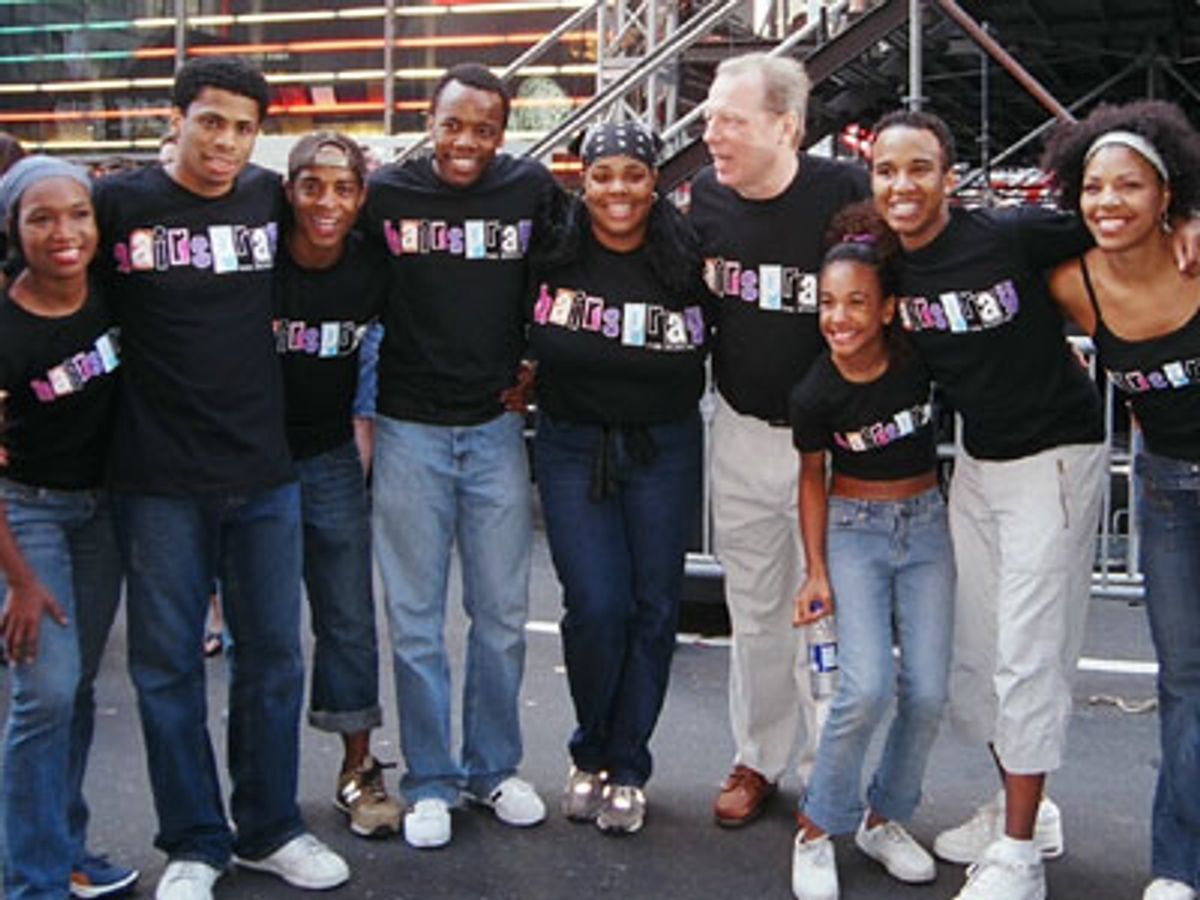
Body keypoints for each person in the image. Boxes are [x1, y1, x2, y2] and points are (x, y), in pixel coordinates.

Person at [92, 57, 348, 899]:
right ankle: (196, 842)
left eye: (243, 127)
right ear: (177, 118)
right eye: (210, 121)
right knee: (166, 667)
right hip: (157, 476)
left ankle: (269, 828)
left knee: (272, 657)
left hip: (263, 470)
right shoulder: (120, 204)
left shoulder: (267, 197)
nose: (226, 142)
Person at [870, 109, 1108, 900]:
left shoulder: (1010, 236)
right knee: (978, 654)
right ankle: (1030, 815)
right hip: (978, 464)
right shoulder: (893, 270)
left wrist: (1187, 223)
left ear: (950, 177)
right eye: (886, 171)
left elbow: (1117, 220)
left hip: (1057, 462)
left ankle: (1018, 856)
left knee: (1029, 655)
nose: (901, 185)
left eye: (918, 168)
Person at [361, 62, 555, 850]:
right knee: (413, 621)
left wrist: (538, 363)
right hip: (408, 428)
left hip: (493, 429)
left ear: (503, 132)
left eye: (484, 127)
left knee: (503, 615)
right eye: (453, 124)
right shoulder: (389, 195)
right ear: (429, 119)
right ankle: (430, 778)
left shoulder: (531, 191)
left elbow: (560, 282)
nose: (466, 141)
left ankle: (494, 767)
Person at [689, 51, 869, 827]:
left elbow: (930, 253)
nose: (712, 136)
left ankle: (829, 775)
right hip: (739, 430)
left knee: (825, 618)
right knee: (755, 610)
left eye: (731, 120)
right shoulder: (704, 198)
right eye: (708, 119)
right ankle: (758, 757)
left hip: (829, 450)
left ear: (786, 126)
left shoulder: (846, 194)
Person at [529, 121, 709, 835]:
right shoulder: (553, 253)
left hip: (665, 445)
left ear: (653, 180)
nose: (617, 190)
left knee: (654, 607)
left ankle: (629, 764)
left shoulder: (687, 256)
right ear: (584, 179)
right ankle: (590, 750)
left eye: (632, 174)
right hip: (572, 445)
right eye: (603, 175)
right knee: (596, 606)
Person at [1040, 100, 1200, 900]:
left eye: (1130, 186)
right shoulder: (1076, 284)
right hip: (1169, 489)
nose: (1109, 202)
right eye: (1094, 187)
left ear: (1166, 195)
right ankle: (1179, 866)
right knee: (1184, 682)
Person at [788, 203, 952, 900]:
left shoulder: (919, 361)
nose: (840, 318)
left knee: (927, 690)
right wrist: (817, 569)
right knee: (864, 689)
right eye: (828, 304)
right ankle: (818, 827)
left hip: (928, 528)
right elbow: (811, 479)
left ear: (888, 310)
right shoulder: (815, 392)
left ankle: (884, 817)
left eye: (857, 302)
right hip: (854, 530)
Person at [0, 156, 138, 900]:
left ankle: (68, 847)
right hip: (29, 513)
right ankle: (31, 879)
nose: (64, 232)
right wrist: (18, 581)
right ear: (14, 230)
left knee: (77, 687)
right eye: (42, 217)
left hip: (103, 512)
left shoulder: (111, 295)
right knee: (45, 692)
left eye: (78, 214)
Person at [276, 130, 400, 838]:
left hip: (327, 457)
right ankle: (259, 792)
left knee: (348, 619)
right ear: (289, 189)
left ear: (361, 197)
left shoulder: (369, 268)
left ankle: (358, 768)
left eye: (344, 187)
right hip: (250, 464)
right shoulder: (256, 261)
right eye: (312, 185)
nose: (328, 201)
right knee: (260, 638)